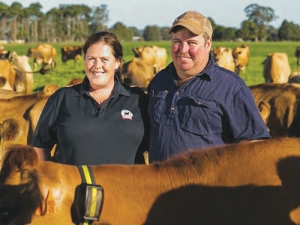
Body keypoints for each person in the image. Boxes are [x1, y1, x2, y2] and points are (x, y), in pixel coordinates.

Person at [147, 11, 270, 162]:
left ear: (208, 44)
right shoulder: (159, 81)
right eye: (177, 42)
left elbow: (256, 146)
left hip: (206, 185)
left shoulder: (230, 87)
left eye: (192, 43)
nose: (183, 49)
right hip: (159, 183)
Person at [32, 31, 149, 165]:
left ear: (117, 62)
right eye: (91, 59)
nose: (97, 66)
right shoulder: (62, 98)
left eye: (105, 59)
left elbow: (156, 146)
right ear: (84, 60)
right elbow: (40, 147)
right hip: (75, 186)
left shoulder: (137, 99)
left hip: (126, 186)